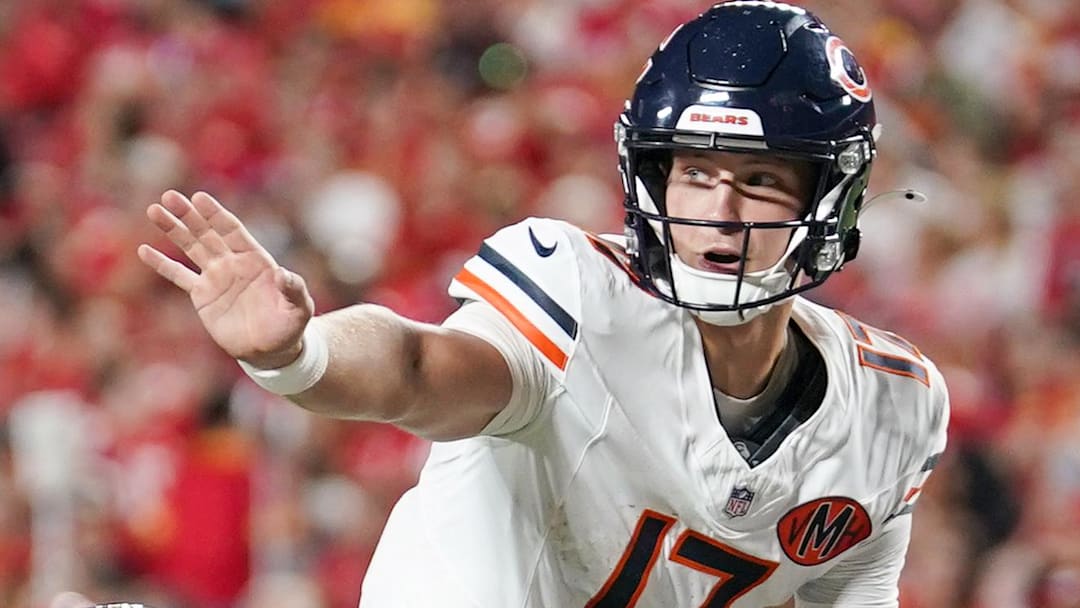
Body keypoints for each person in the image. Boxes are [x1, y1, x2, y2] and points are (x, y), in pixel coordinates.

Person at [138, 2, 949, 606]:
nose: (720, 212)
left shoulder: (893, 407)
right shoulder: (578, 293)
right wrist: (299, 354)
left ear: (832, 199)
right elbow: (417, 366)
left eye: (760, 179)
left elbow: (852, 588)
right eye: (696, 173)